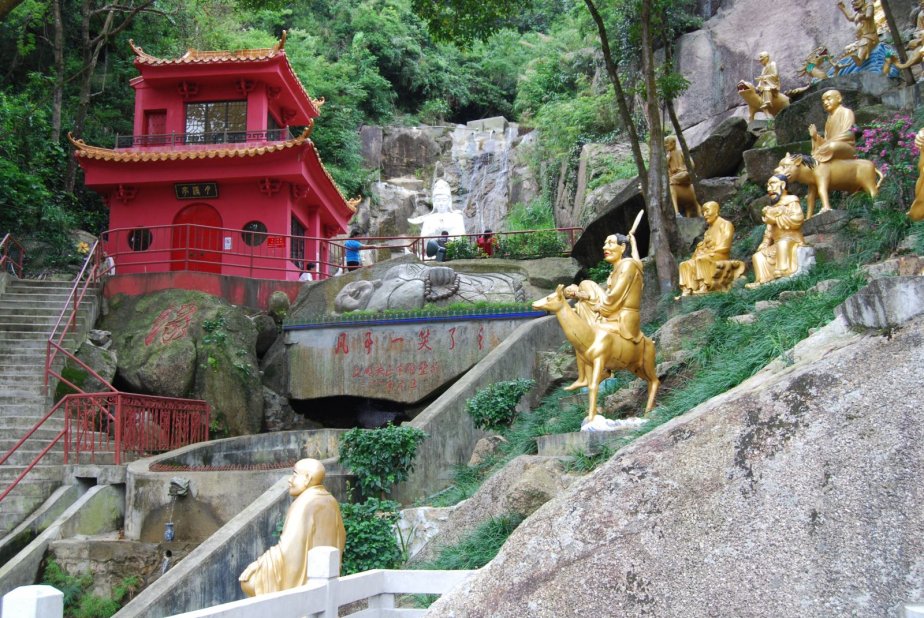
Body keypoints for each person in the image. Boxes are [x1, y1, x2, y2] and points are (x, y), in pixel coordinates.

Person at [239, 459, 346, 597]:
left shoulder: (304, 504)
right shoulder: (330, 500)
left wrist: (259, 564)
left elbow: (288, 549)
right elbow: (341, 538)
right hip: (325, 578)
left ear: (307, 478)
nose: (290, 480)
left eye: (294, 474)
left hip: (304, 579)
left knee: (249, 581)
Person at [564, 232, 643, 344]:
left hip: (623, 318)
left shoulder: (627, 265)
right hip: (613, 313)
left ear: (622, 247)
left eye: (610, 243)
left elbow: (615, 295)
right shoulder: (621, 268)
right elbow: (638, 262)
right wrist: (633, 243)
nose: (604, 247)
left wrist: (601, 308)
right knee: (586, 288)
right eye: (605, 244)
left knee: (590, 328)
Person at [747, 175, 806, 287]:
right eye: (768, 186)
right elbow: (769, 230)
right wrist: (765, 243)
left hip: (792, 239)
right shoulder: (772, 208)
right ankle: (762, 280)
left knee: (783, 244)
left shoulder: (792, 200)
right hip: (777, 242)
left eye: (772, 184)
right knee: (758, 256)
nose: (769, 189)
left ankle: (783, 270)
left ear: (783, 185)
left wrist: (775, 220)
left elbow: (797, 220)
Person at [809, 89, 857, 164]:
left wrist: (826, 144)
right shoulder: (828, 120)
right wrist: (815, 136)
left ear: (839, 98)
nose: (825, 103)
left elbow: (849, 134)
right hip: (829, 146)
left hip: (845, 146)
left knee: (832, 146)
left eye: (828, 99)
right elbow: (826, 140)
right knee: (828, 146)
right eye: (823, 101)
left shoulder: (846, 112)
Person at [665, 135, 701, 217]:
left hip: (683, 176)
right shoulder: (668, 156)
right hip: (674, 177)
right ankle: (677, 213)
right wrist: (667, 160)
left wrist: (683, 169)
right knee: (668, 180)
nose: (665, 145)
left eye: (667, 143)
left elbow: (692, 164)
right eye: (665, 143)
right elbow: (664, 169)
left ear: (673, 143)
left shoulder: (681, 152)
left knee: (686, 174)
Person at [837, 0, 879, 67]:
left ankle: (859, 60)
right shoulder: (857, 14)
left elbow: (869, 15)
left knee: (862, 46)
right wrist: (843, 8)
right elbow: (850, 18)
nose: (854, 3)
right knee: (848, 49)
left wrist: (863, 16)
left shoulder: (869, 6)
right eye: (853, 2)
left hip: (869, 37)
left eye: (856, 1)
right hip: (860, 39)